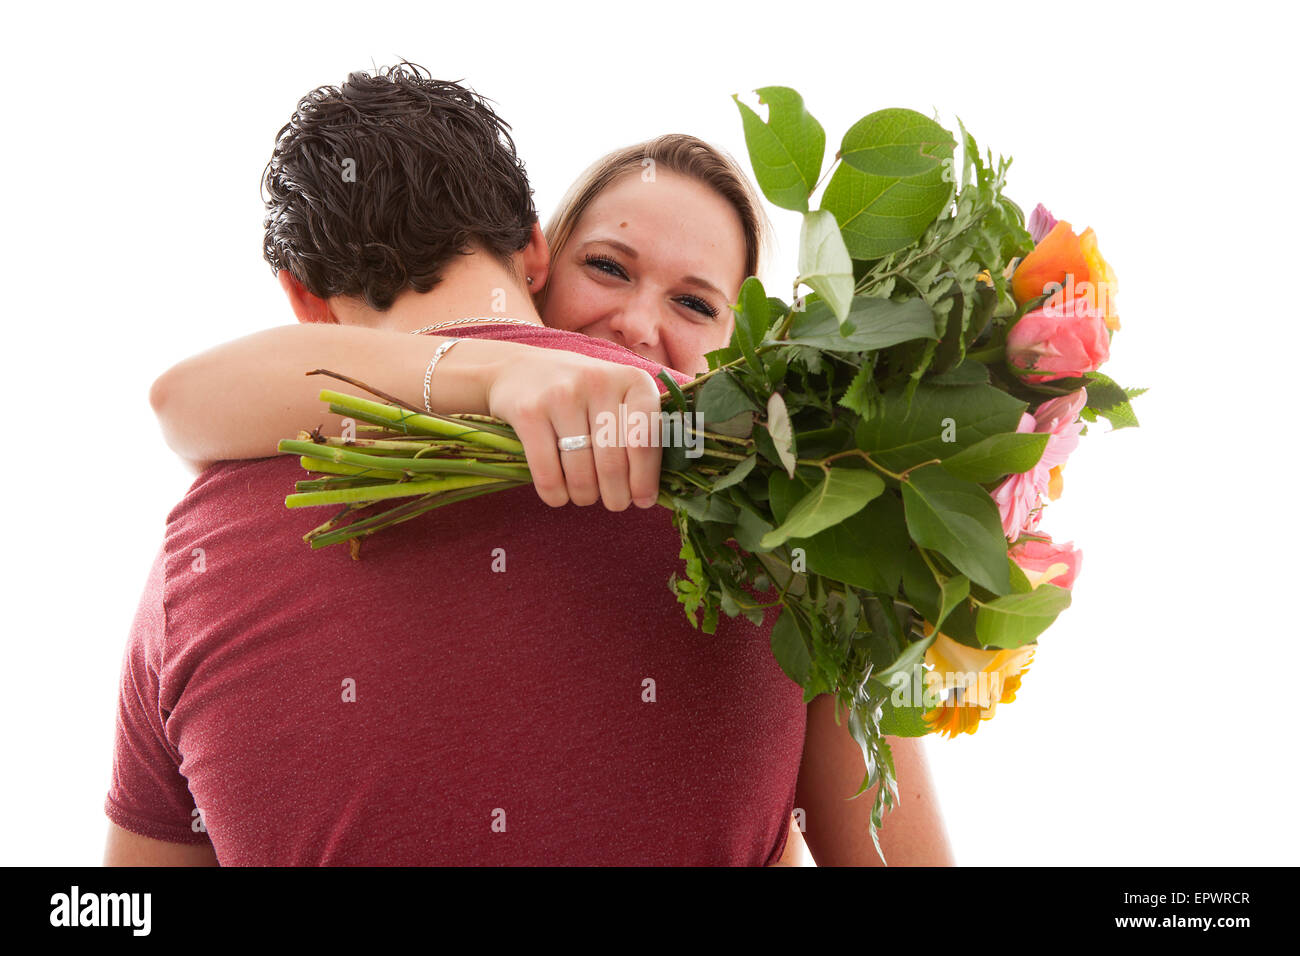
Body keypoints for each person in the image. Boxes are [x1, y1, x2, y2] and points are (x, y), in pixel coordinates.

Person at [106, 64, 953, 865]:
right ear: (538, 250)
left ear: (301, 300)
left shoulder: (193, 555)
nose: (632, 330)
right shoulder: (786, 500)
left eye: (694, 303)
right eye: (610, 267)